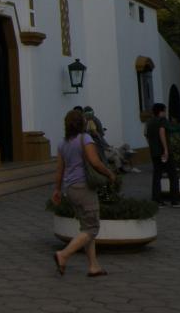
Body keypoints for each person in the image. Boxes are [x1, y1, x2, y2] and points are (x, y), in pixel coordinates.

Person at [52, 108, 116, 277]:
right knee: (92, 229)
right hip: (84, 188)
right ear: (82, 123)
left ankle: (93, 266)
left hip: (70, 189)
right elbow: (95, 162)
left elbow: (59, 170)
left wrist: (57, 190)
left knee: (86, 227)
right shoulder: (85, 138)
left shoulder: (62, 144)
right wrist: (109, 173)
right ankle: (63, 255)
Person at [145, 103, 180, 208]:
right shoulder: (162, 121)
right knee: (173, 175)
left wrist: (152, 145)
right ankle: (175, 200)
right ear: (161, 111)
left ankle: (157, 200)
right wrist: (165, 150)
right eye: (165, 110)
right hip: (163, 152)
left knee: (157, 176)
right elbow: (162, 132)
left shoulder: (149, 122)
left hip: (154, 152)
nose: (166, 113)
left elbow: (145, 133)